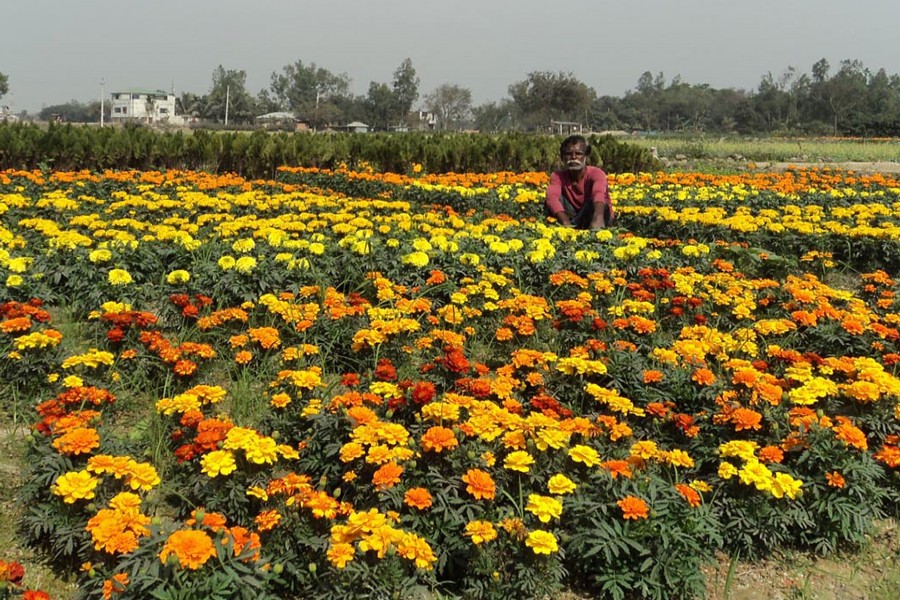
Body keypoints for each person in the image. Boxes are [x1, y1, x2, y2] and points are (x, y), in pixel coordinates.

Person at [544, 134, 615, 229]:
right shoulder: (557, 176)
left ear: (586, 156)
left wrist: (598, 219)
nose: (573, 157)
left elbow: (598, 194)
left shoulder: (596, 173)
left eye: (578, 154)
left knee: (596, 203)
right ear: (562, 157)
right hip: (572, 217)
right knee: (550, 202)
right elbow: (552, 197)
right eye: (568, 154)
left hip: (595, 215)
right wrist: (566, 224)